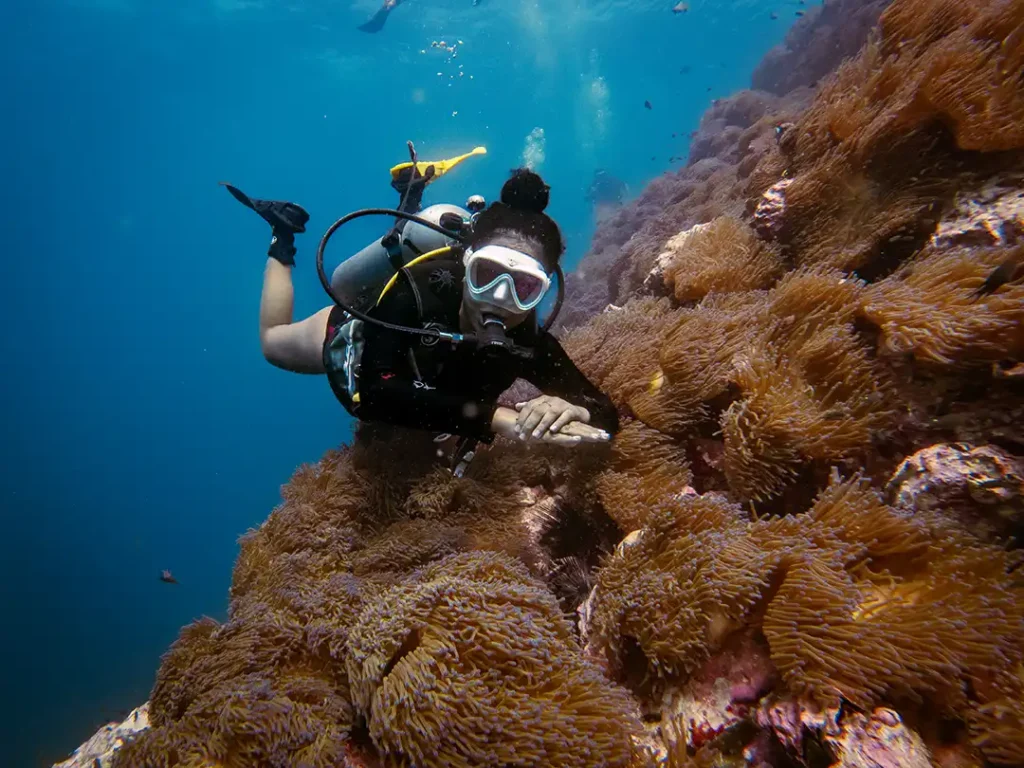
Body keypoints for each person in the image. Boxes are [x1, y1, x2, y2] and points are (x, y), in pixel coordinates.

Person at [226, 167, 619, 454]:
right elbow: (376, 393)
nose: (500, 297)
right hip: (355, 340)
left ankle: (409, 196)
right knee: (272, 343)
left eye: (525, 287)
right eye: (488, 275)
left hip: (433, 395)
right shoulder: (419, 291)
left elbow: (606, 414)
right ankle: (283, 236)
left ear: (543, 291)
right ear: (466, 264)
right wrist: (499, 419)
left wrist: (573, 408)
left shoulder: (528, 341)